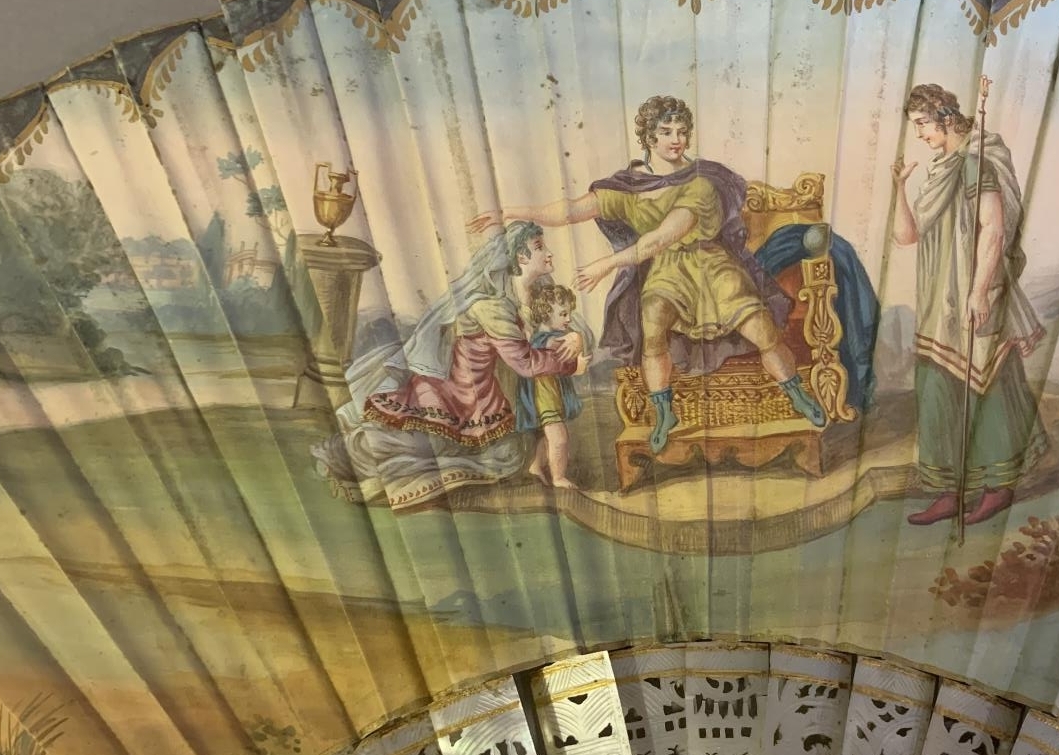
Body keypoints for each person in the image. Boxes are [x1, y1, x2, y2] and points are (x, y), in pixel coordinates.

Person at [469, 95, 826, 454]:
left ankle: (795, 393)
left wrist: (606, 264)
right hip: (667, 272)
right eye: (666, 131)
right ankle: (663, 411)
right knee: (652, 322)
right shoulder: (630, 186)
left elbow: (662, 236)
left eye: (682, 131)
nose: (676, 139)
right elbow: (571, 209)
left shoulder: (701, 182)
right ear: (648, 138)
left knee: (761, 327)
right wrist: (510, 212)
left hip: (712, 266)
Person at [310, 221, 587, 503]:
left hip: (487, 401)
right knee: (425, 446)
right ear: (521, 257)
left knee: (508, 454)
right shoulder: (491, 306)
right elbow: (524, 362)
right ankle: (342, 453)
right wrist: (571, 364)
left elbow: (559, 327)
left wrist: (575, 339)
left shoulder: (532, 295)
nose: (550, 253)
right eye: (540, 247)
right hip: (458, 397)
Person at [891, 82, 1048, 527]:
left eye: (922, 124)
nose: (919, 134)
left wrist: (979, 291)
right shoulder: (940, 171)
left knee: (988, 386)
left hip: (973, 295)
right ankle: (948, 492)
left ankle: (998, 487)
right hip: (937, 300)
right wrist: (899, 189)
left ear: (944, 117)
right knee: (938, 389)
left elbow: (994, 231)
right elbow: (905, 237)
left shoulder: (977, 163)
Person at [518, 282, 586, 489]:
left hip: (548, 397)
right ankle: (558, 477)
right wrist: (577, 340)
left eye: (569, 314)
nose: (569, 319)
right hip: (546, 398)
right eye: (563, 314)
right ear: (547, 314)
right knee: (559, 438)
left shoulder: (543, 338)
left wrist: (576, 339)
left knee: (546, 437)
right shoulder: (548, 340)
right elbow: (565, 349)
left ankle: (536, 466)